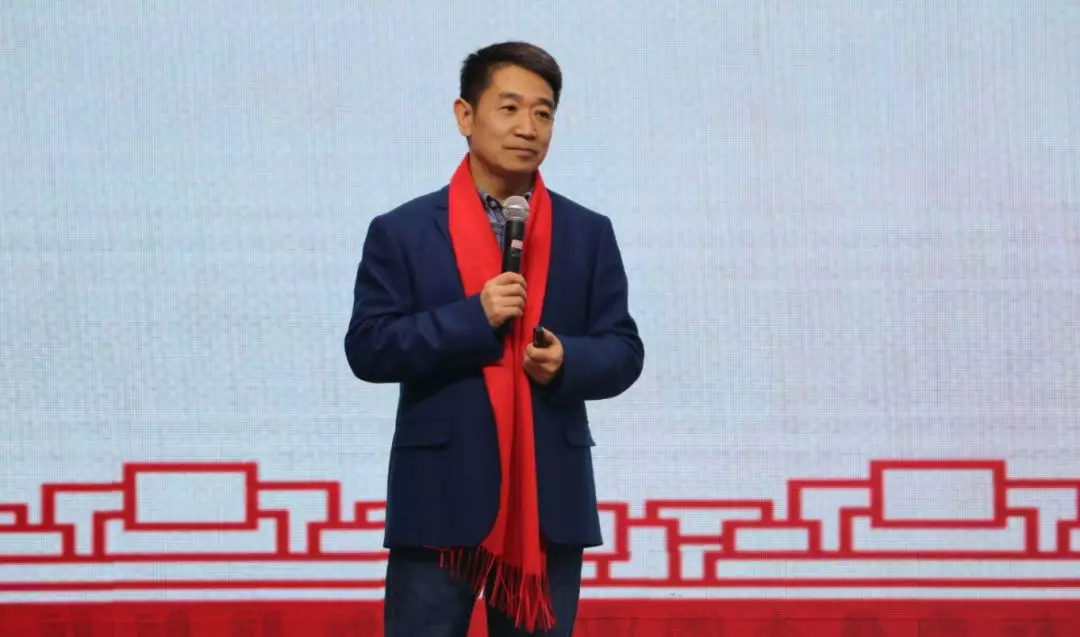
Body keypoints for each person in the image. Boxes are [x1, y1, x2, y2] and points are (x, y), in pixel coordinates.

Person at [344, 41, 644, 637]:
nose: (528, 127)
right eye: (509, 108)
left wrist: (568, 361)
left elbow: (623, 350)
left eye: (543, 112)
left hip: (547, 499)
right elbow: (369, 347)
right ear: (465, 115)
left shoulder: (587, 233)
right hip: (440, 496)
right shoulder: (402, 231)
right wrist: (471, 319)